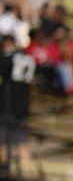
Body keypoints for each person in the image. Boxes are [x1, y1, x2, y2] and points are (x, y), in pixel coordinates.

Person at [0, 33, 35, 173]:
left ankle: (4, 171)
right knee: (22, 139)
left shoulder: (8, 58)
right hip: (24, 102)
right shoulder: (30, 59)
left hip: (7, 103)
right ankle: (26, 171)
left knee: (2, 138)